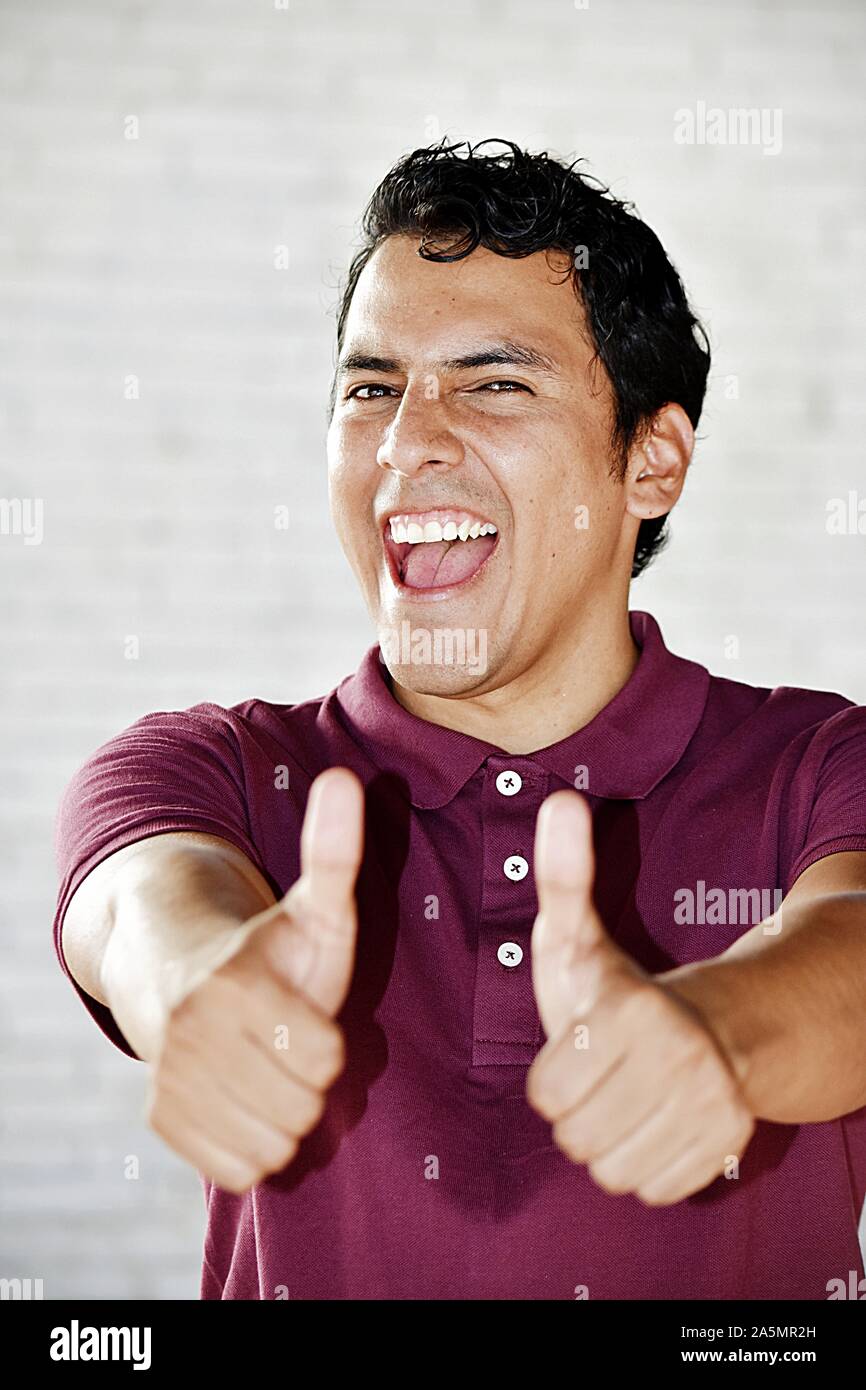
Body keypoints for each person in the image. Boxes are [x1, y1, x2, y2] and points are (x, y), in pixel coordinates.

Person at [53, 138, 866, 1301]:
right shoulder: (213, 770)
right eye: (370, 388)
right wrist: (193, 982)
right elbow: (140, 899)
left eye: (493, 383)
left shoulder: (821, 764)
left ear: (652, 460)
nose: (406, 442)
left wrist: (723, 1036)